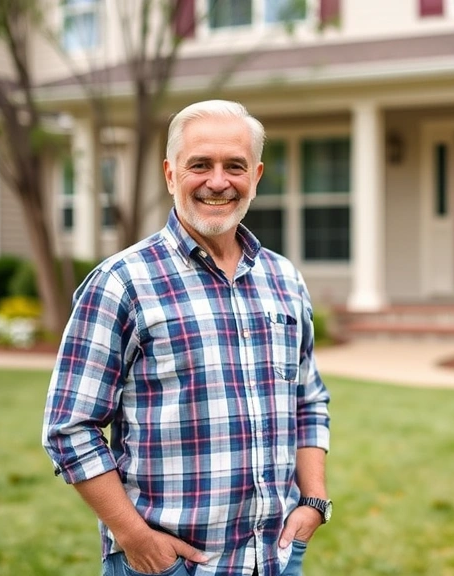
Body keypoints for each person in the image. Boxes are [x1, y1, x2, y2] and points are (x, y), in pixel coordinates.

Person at [42, 99, 332, 576]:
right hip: (170, 566)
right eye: (200, 164)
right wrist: (136, 539)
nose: (218, 181)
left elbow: (308, 399)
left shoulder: (284, 278)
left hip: (275, 559)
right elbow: (70, 428)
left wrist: (314, 501)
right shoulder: (121, 282)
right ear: (170, 174)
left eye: (234, 166)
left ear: (255, 176)